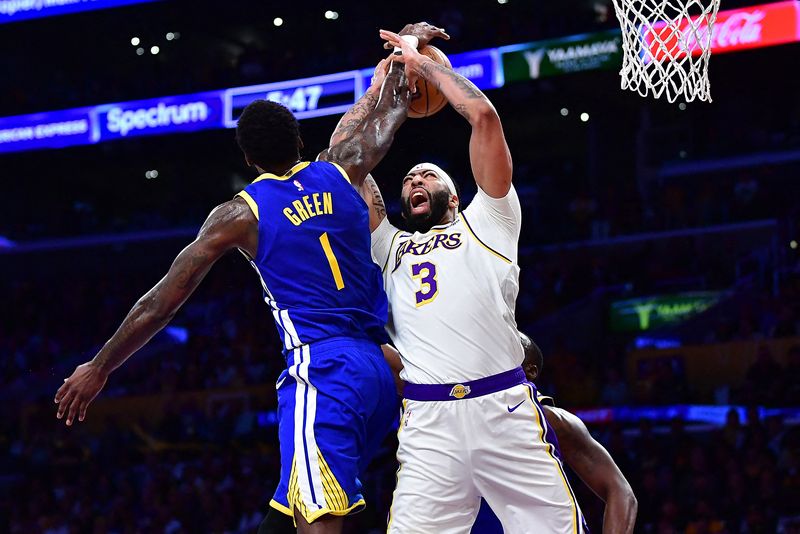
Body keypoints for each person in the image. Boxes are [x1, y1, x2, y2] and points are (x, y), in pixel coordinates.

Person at [54, 58, 411, 534]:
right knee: (287, 511)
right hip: (379, 370)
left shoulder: (238, 215)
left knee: (318, 516)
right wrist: (404, 64)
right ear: (301, 141)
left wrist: (99, 367)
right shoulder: (344, 169)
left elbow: (161, 304)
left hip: (323, 372)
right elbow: (387, 118)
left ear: (247, 158)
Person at [353, 28, 586, 533]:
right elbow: (348, 167)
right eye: (409, 178)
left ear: (455, 196)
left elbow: (482, 117)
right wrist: (380, 85)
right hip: (428, 421)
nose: (414, 180)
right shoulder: (388, 245)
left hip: (503, 408)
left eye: (428, 175)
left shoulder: (489, 221)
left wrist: (422, 61)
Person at [471, 333, 638, 534]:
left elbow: (621, 492)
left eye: (511, 348)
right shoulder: (459, 414)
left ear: (529, 371)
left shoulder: (552, 420)